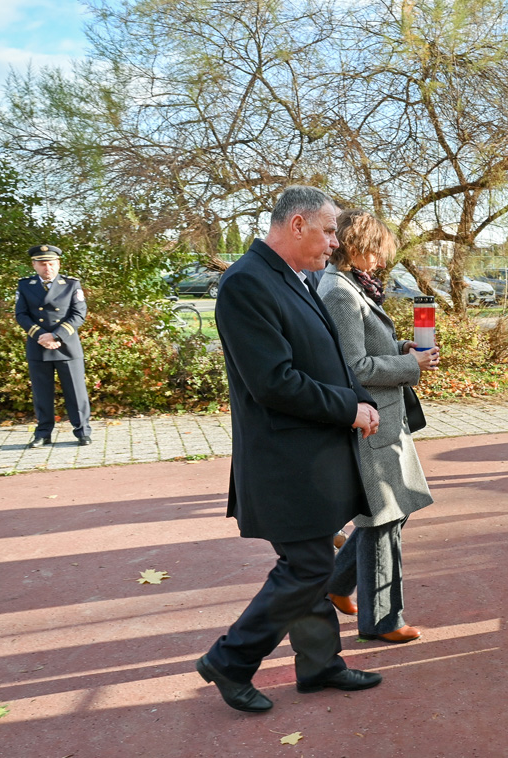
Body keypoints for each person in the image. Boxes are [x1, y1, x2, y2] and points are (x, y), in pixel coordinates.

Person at [196, 186, 385, 713]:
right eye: (328, 231)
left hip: (310, 458)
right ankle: (230, 660)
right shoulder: (246, 283)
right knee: (307, 568)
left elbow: (331, 358)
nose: (334, 242)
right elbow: (273, 381)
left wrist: (361, 397)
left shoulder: (296, 277)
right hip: (284, 462)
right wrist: (347, 409)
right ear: (297, 224)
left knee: (313, 560)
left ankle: (320, 665)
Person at [317, 209, 439, 644]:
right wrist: (410, 363)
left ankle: (335, 584)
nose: (382, 261)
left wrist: (402, 347)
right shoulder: (340, 292)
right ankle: (381, 620)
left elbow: (364, 350)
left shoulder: (351, 287)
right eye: (377, 252)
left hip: (382, 419)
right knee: (383, 517)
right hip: (370, 421)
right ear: (357, 248)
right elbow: (352, 366)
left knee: (386, 514)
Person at [14, 244, 93, 447]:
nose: (46, 267)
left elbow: (79, 314)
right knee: (41, 392)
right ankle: (43, 434)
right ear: (34, 265)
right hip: (38, 344)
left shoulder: (71, 284)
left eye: (50, 263)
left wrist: (56, 336)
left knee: (76, 392)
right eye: (42, 264)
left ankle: (82, 431)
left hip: (66, 345)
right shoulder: (25, 285)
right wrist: (41, 336)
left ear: (58, 264)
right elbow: (21, 315)